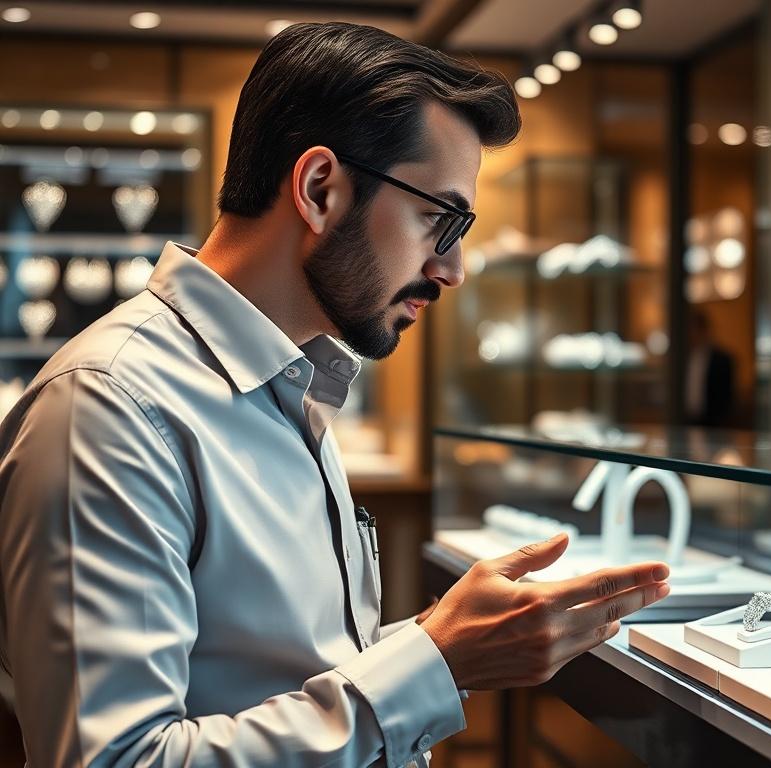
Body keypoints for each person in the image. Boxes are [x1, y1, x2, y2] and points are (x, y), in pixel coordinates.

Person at [0, 22, 671, 767]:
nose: (452, 271)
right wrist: (433, 663)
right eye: (439, 221)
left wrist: (447, 641)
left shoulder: (292, 386)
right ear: (321, 190)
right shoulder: (108, 407)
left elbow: (278, 674)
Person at [684, 310, 735, 427]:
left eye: (695, 330)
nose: (692, 335)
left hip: (713, 424)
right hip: (686, 421)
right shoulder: (682, 359)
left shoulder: (722, 359)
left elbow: (728, 397)